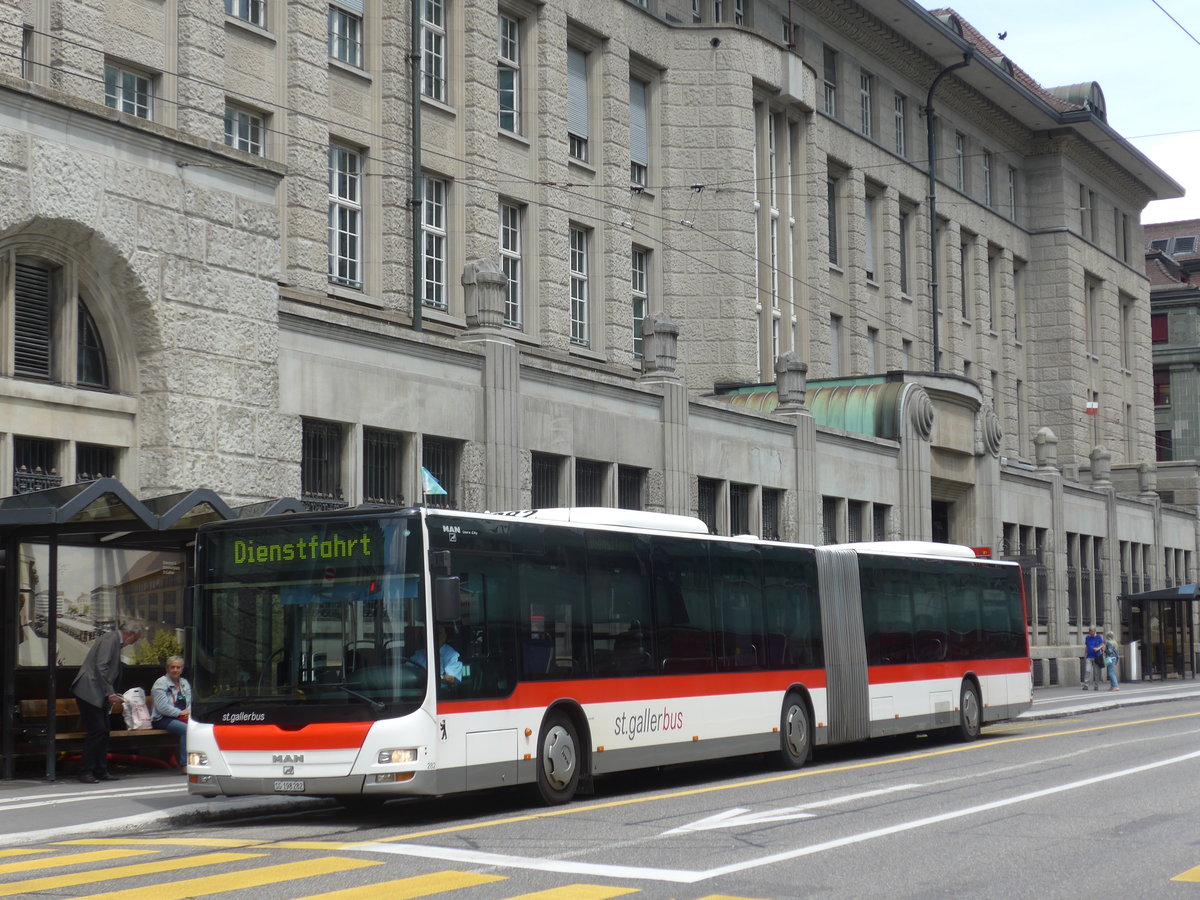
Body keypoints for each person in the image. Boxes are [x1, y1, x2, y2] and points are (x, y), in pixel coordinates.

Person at [71, 620, 143, 784]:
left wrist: (109, 692)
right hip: (89, 692)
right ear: (130, 634)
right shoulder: (110, 640)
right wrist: (109, 692)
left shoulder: (113, 641)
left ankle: (100, 769)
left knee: (103, 731)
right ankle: (86, 771)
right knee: (98, 731)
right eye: (135, 639)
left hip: (96, 693)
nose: (133, 643)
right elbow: (101, 667)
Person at [151, 655, 192, 771]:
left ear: (182, 669)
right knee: (187, 729)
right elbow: (162, 707)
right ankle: (184, 764)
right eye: (172, 667)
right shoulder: (160, 683)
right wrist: (180, 713)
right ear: (167, 669)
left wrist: (188, 712)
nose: (175, 670)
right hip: (162, 719)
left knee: (203, 727)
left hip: (183, 716)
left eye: (178, 667)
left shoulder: (184, 683)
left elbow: (190, 702)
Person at [1082, 626, 1104, 691]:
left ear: (1094, 631)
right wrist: (1085, 654)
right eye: (1090, 631)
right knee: (1087, 671)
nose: (1091, 633)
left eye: (1092, 632)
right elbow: (1087, 646)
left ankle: (1096, 685)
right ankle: (1086, 685)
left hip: (1096, 657)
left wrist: (1098, 648)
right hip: (1089, 656)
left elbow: (1102, 645)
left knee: (1096, 672)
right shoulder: (1087, 637)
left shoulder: (1098, 637)